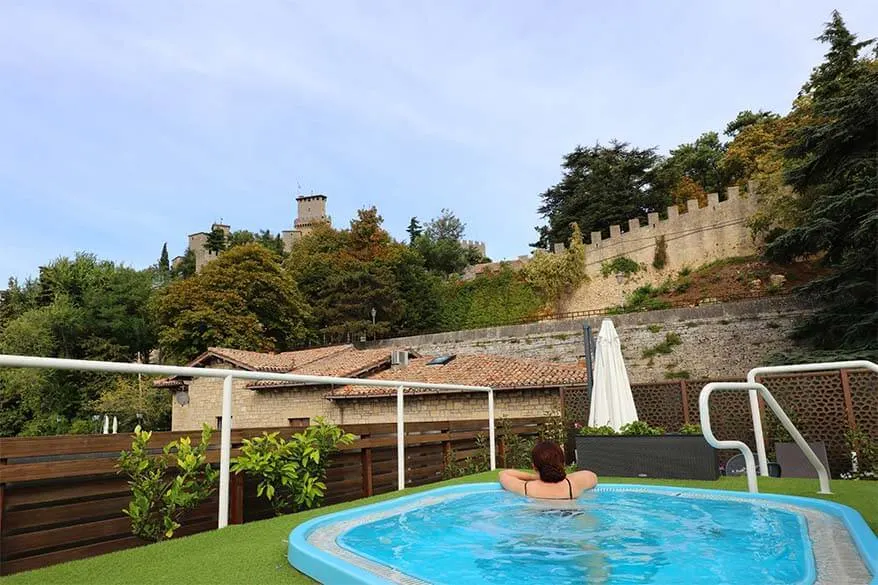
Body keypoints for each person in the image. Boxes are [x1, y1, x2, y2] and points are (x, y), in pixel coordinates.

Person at [498, 441, 597, 500]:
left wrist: (535, 477)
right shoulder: (573, 484)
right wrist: (560, 474)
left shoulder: (526, 488)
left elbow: (503, 474)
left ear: (534, 467)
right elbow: (593, 477)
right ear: (562, 463)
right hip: (572, 518)